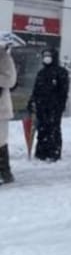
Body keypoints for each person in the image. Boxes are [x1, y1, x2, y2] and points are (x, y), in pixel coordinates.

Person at [30, 48, 70, 162]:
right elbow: (36, 89)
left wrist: (59, 106)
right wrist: (32, 101)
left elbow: (63, 91)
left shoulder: (61, 72)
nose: (47, 58)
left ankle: (53, 152)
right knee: (42, 129)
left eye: (49, 55)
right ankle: (41, 152)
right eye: (45, 56)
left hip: (54, 107)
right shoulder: (41, 73)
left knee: (53, 129)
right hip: (41, 106)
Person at [0, 41, 17, 184]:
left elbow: (10, 81)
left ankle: (4, 172)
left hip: (1, 108)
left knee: (0, 141)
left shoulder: (4, 57)